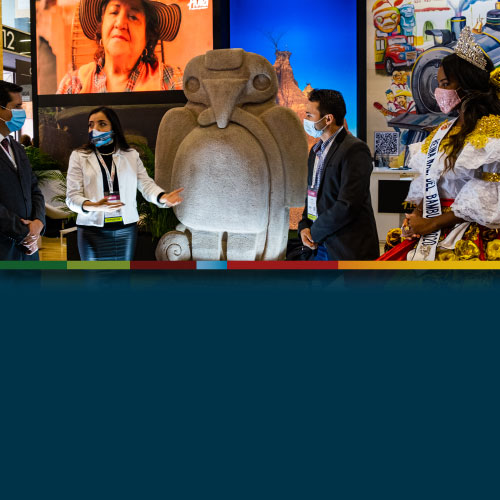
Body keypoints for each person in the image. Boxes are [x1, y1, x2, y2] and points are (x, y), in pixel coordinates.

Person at [379, 27, 500, 261]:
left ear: (466, 84)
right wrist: (416, 216)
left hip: (470, 233)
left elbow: (488, 196)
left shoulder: (493, 131)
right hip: (431, 227)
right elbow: (430, 182)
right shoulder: (443, 130)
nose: (439, 92)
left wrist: (431, 223)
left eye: (445, 84)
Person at [66, 106, 184, 260]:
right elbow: (72, 197)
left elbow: (146, 184)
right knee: (94, 276)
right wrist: (95, 206)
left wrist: (162, 197)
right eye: (91, 125)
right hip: (92, 230)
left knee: (121, 275)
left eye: (102, 124)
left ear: (114, 127)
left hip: (125, 231)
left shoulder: (131, 156)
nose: (95, 129)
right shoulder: (79, 156)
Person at [298, 89, 379, 260]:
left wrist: (314, 232)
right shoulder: (315, 151)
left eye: (309, 115)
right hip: (318, 245)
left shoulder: (355, 149)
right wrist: (304, 225)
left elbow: (348, 205)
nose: (306, 120)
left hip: (346, 248)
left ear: (328, 119)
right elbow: (312, 193)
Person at [57, 0, 182, 93]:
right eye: (114, 12)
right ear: (101, 26)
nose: (120, 23)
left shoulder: (171, 80)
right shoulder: (73, 85)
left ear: (148, 36)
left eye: (133, 17)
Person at [0, 81, 45, 260]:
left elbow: (34, 189)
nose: (22, 111)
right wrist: (24, 232)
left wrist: (38, 223)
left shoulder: (17, 148)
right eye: (17, 106)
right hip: (5, 248)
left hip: (28, 250)